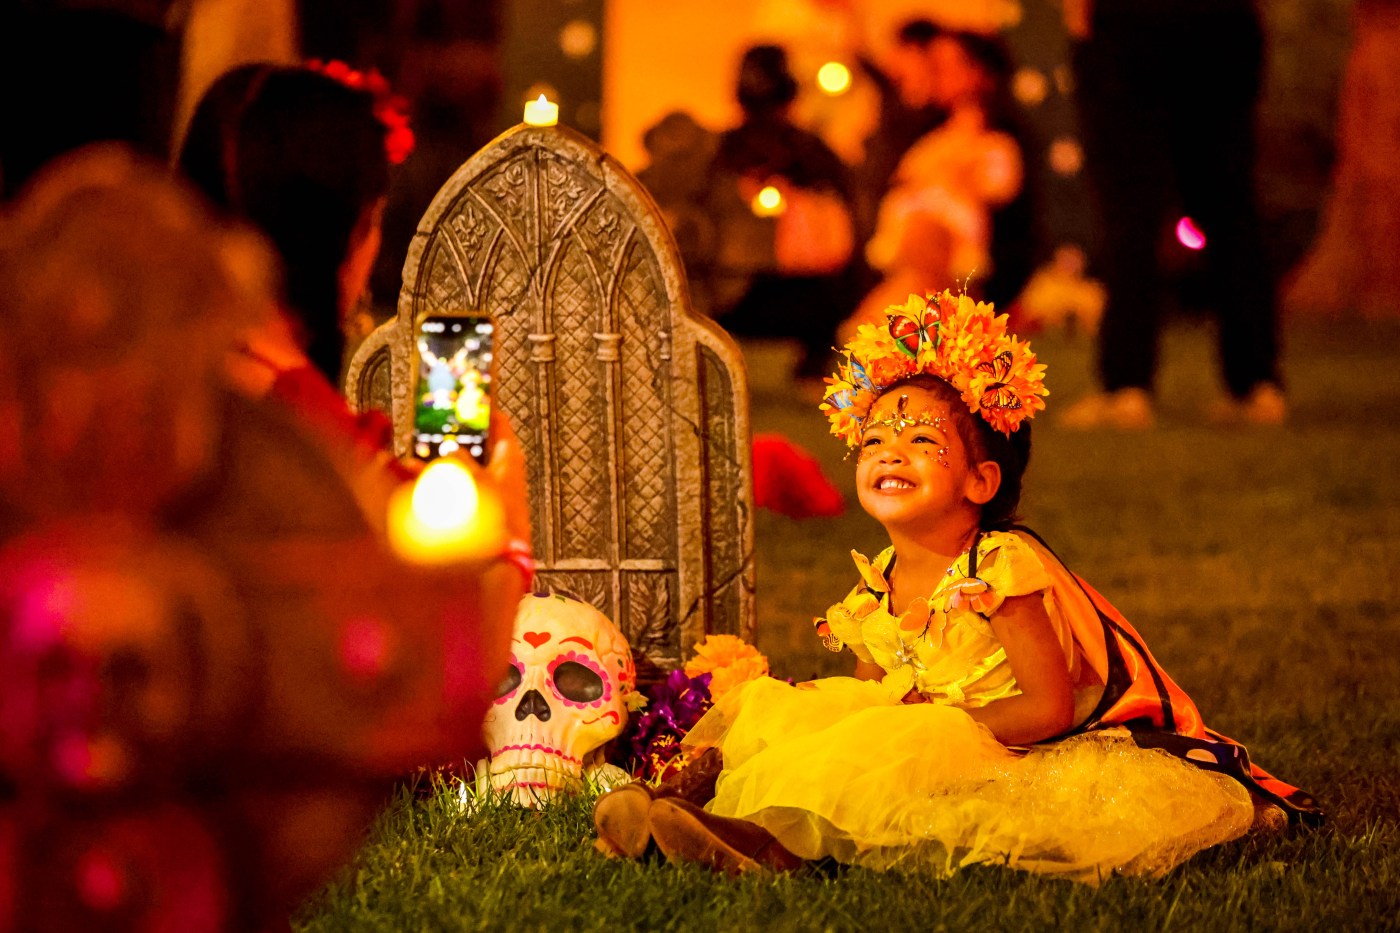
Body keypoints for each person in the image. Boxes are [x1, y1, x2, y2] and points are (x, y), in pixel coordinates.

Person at [593, 290, 1319, 879]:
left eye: (921, 442)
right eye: (874, 437)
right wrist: (865, 720)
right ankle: (690, 818)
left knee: (886, 763)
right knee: (805, 726)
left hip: (1008, 750)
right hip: (920, 738)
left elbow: (1048, 703)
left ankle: (770, 849)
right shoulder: (874, 583)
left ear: (980, 479)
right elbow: (872, 688)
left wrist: (935, 729)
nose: (889, 452)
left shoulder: (999, 568)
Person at [1058, 0, 1285, 429]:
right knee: (1230, 208)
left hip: (1132, 25)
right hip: (1222, 24)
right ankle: (1256, 383)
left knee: (1129, 212)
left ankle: (1127, 387)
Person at [701, 44, 859, 382]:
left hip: (734, 296)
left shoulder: (718, 152)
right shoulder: (813, 153)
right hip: (783, 297)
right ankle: (812, 373)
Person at [854, 31, 1028, 336]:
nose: (939, 75)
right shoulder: (919, 131)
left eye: (950, 66)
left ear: (982, 73)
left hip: (965, 260)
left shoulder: (1001, 141)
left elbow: (1000, 189)